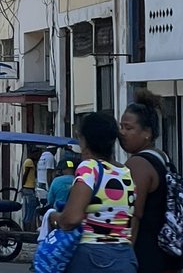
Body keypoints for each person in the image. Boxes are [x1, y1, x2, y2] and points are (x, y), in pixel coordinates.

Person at [50, 111, 137, 273]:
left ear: (85, 141)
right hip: (125, 256)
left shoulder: (89, 168)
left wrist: (54, 217)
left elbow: (72, 218)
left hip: (92, 256)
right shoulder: (125, 172)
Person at [120, 88, 183, 273]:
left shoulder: (138, 164)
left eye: (129, 128)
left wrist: (125, 256)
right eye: (121, 127)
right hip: (168, 253)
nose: (122, 133)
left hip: (146, 256)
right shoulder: (162, 158)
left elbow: (134, 215)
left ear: (147, 132)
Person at [21, 148, 39, 231]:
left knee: (28, 210)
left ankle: (27, 229)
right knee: (30, 210)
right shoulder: (29, 162)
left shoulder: (30, 161)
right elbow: (26, 174)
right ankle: (27, 230)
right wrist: (23, 184)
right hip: (28, 188)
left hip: (28, 187)